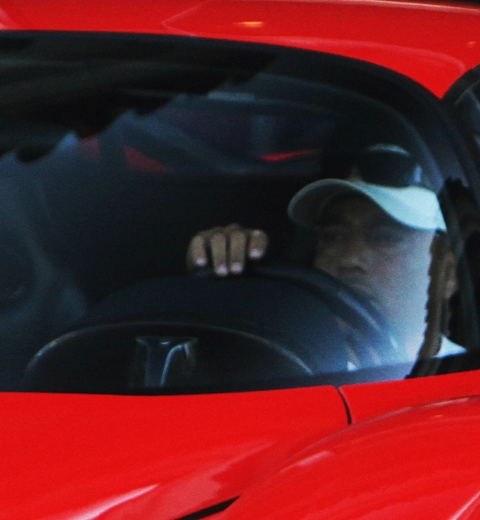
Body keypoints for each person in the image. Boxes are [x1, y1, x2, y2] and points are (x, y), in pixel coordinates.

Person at [187, 145, 461, 368]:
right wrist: (216, 289)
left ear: (447, 274)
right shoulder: (278, 364)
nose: (349, 259)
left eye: (385, 239)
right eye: (333, 237)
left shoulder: (469, 385)